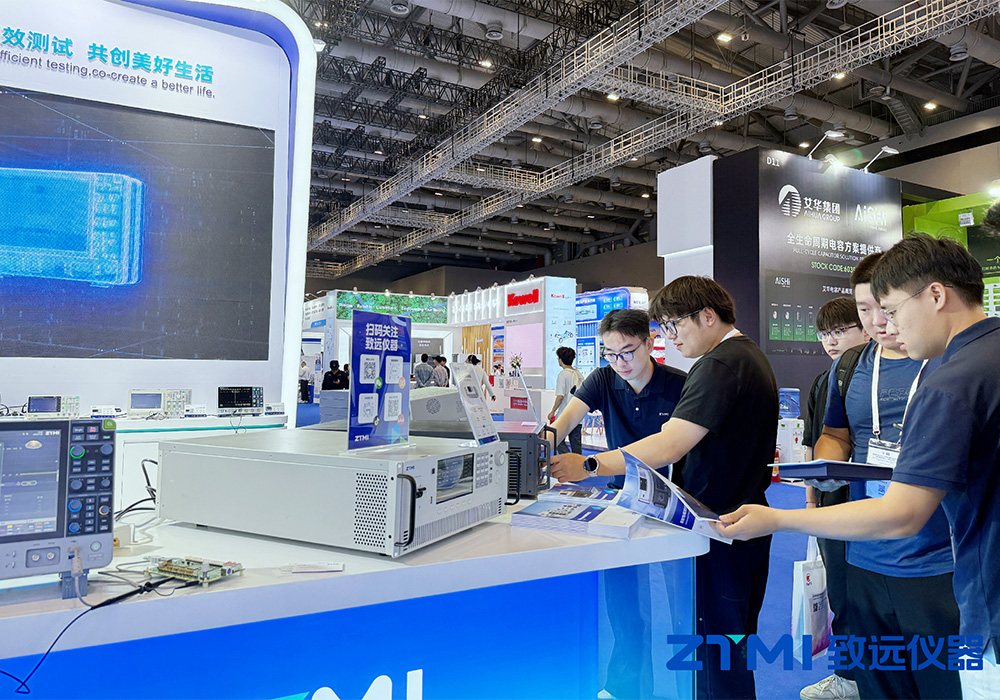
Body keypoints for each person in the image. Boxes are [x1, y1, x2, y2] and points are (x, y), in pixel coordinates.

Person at [720, 234, 999, 699]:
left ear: (935, 295)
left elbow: (901, 513)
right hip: (886, 562)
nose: (886, 324)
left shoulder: (950, 382)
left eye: (891, 309)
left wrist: (776, 519)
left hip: (972, 589)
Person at [551, 276, 778, 700]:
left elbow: (670, 444)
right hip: (730, 519)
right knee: (721, 642)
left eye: (674, 325)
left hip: (719, 524)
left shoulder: (718, 366)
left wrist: (591, 464)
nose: (671, 336)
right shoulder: (745, 357)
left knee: (712, 645)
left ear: (706, 316)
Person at [807, 254, 960, 700]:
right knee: (879, 682)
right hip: (865, 554)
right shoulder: (850, 365)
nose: (878, 321)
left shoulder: (950, 361)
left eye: (886, 307)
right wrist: (828, 466)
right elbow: (835, 434)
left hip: (940, 558)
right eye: (864, 309)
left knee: (943, 682)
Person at [547, 308, 687, 699]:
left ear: (649, 343)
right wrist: (542, 447)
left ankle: (690, 687)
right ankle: (627, 687)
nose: (620, 362)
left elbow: (672, 448)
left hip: (674, 503)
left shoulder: (680, 385)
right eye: (610, 354)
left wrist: (586, 465)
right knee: (624, 602)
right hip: (621, 500)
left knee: (685, 602)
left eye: (627, 351)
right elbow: (566, 420)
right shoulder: (603, 379)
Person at [799, 296, 869, 700]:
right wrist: (811, 504)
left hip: (875, 505)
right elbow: (814, 446)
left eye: (840, 331)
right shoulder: (825, 380)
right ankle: (849, 678)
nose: (830, 341)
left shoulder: (880, 374)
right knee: (840, 595)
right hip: (833, 507)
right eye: (824, 333)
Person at [547, 346, 584, 454]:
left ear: (561, 359)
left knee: (557, 440)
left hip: (565, 414)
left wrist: (552, 411)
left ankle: (567, 458)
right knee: (576, 445)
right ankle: (577, 463)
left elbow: (560, 396)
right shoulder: (578, 374)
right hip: (578, 415)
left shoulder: (563, 375)